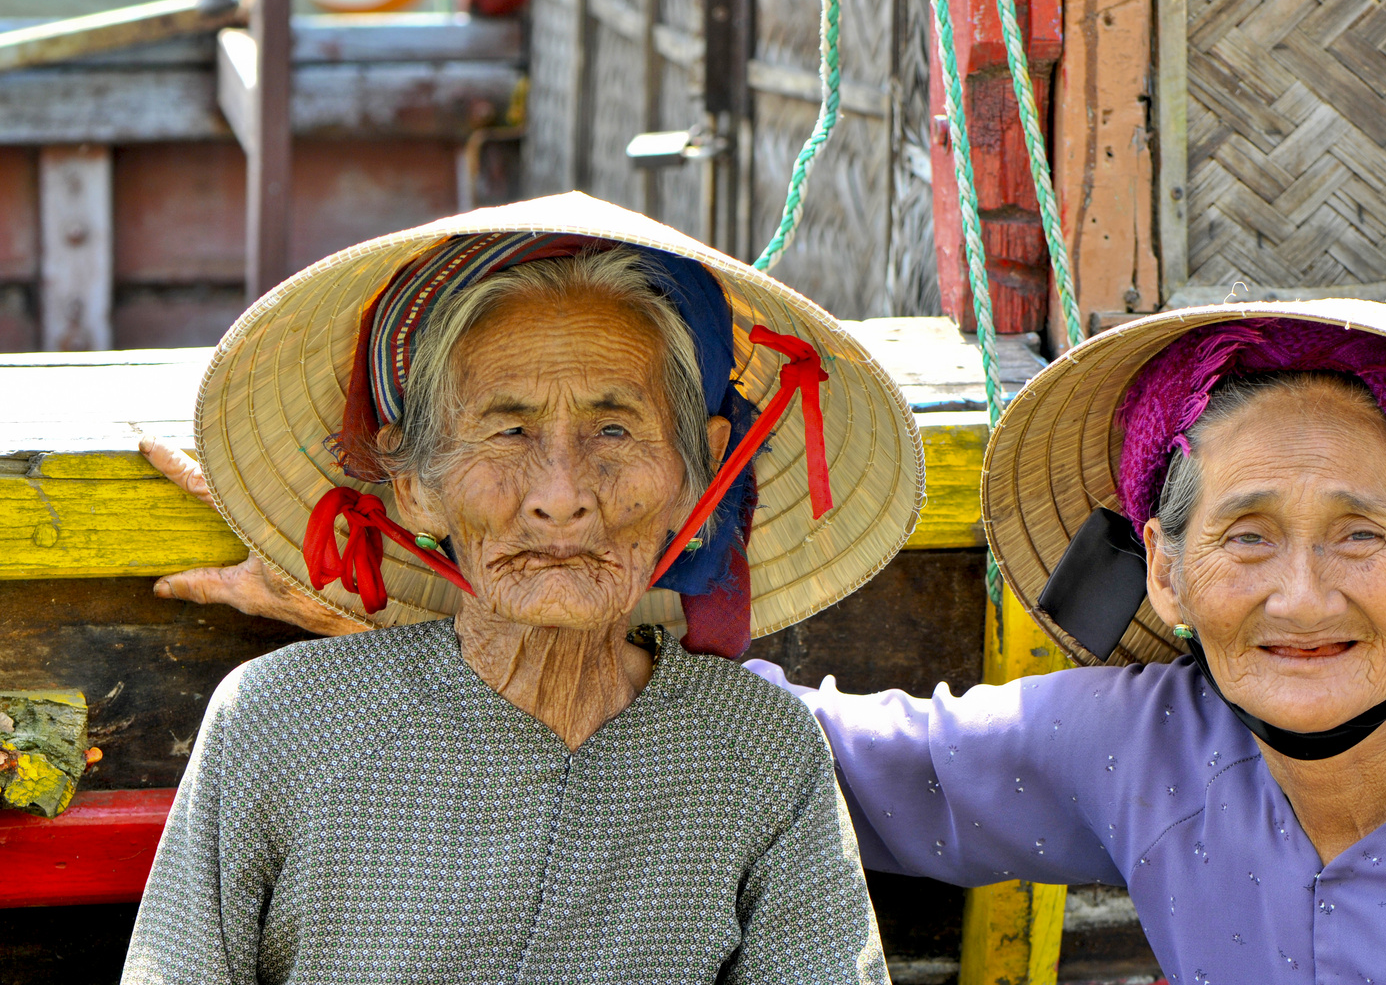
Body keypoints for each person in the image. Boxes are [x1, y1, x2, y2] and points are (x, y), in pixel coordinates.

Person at [123, 193, 925, 984]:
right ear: (417, 485)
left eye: (614, 428)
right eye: (508, 430)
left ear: (700, 473)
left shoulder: (760, 752)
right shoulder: (282, 724)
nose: (561, 492)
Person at [750, 300, 1386, 982]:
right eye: (1248, 535)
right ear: (1165, 570)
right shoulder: (1141, 746)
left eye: (1360, 536)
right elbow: (837, 759)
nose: (1302, 596)